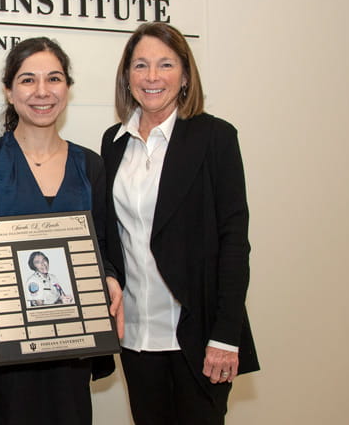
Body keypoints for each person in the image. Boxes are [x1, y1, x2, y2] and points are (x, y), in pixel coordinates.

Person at [0, 37, 123, 425]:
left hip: (72, 349)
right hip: (4, 346)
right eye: (28, 80)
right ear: (9, 92)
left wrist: (110, 279)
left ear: (67, 88)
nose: (42, 91)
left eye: (54, 79)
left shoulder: (91, 165)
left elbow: (106, 247)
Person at [101, 22, 259, 424]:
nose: (152, 77)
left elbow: (234, 242)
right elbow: (113, 236)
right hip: (135, 332)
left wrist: (226, 334)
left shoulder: (215, 138)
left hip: (198, 332)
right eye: (140, 65)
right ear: (127, 76)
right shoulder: (112, 142)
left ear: (185, 76)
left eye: (166, 64)